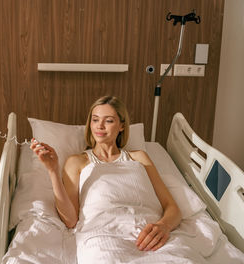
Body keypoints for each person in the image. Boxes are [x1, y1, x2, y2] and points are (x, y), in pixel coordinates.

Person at [30, 95, 182, 255]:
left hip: (151, 235)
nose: (100, 126)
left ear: (122, 125)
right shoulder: (77, 162)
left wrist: (163, 226)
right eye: (95, 120)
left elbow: (172, 207)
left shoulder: (139, 157)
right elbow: (70, 220)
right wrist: (53, 170)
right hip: (104, 237)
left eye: (108, 120)